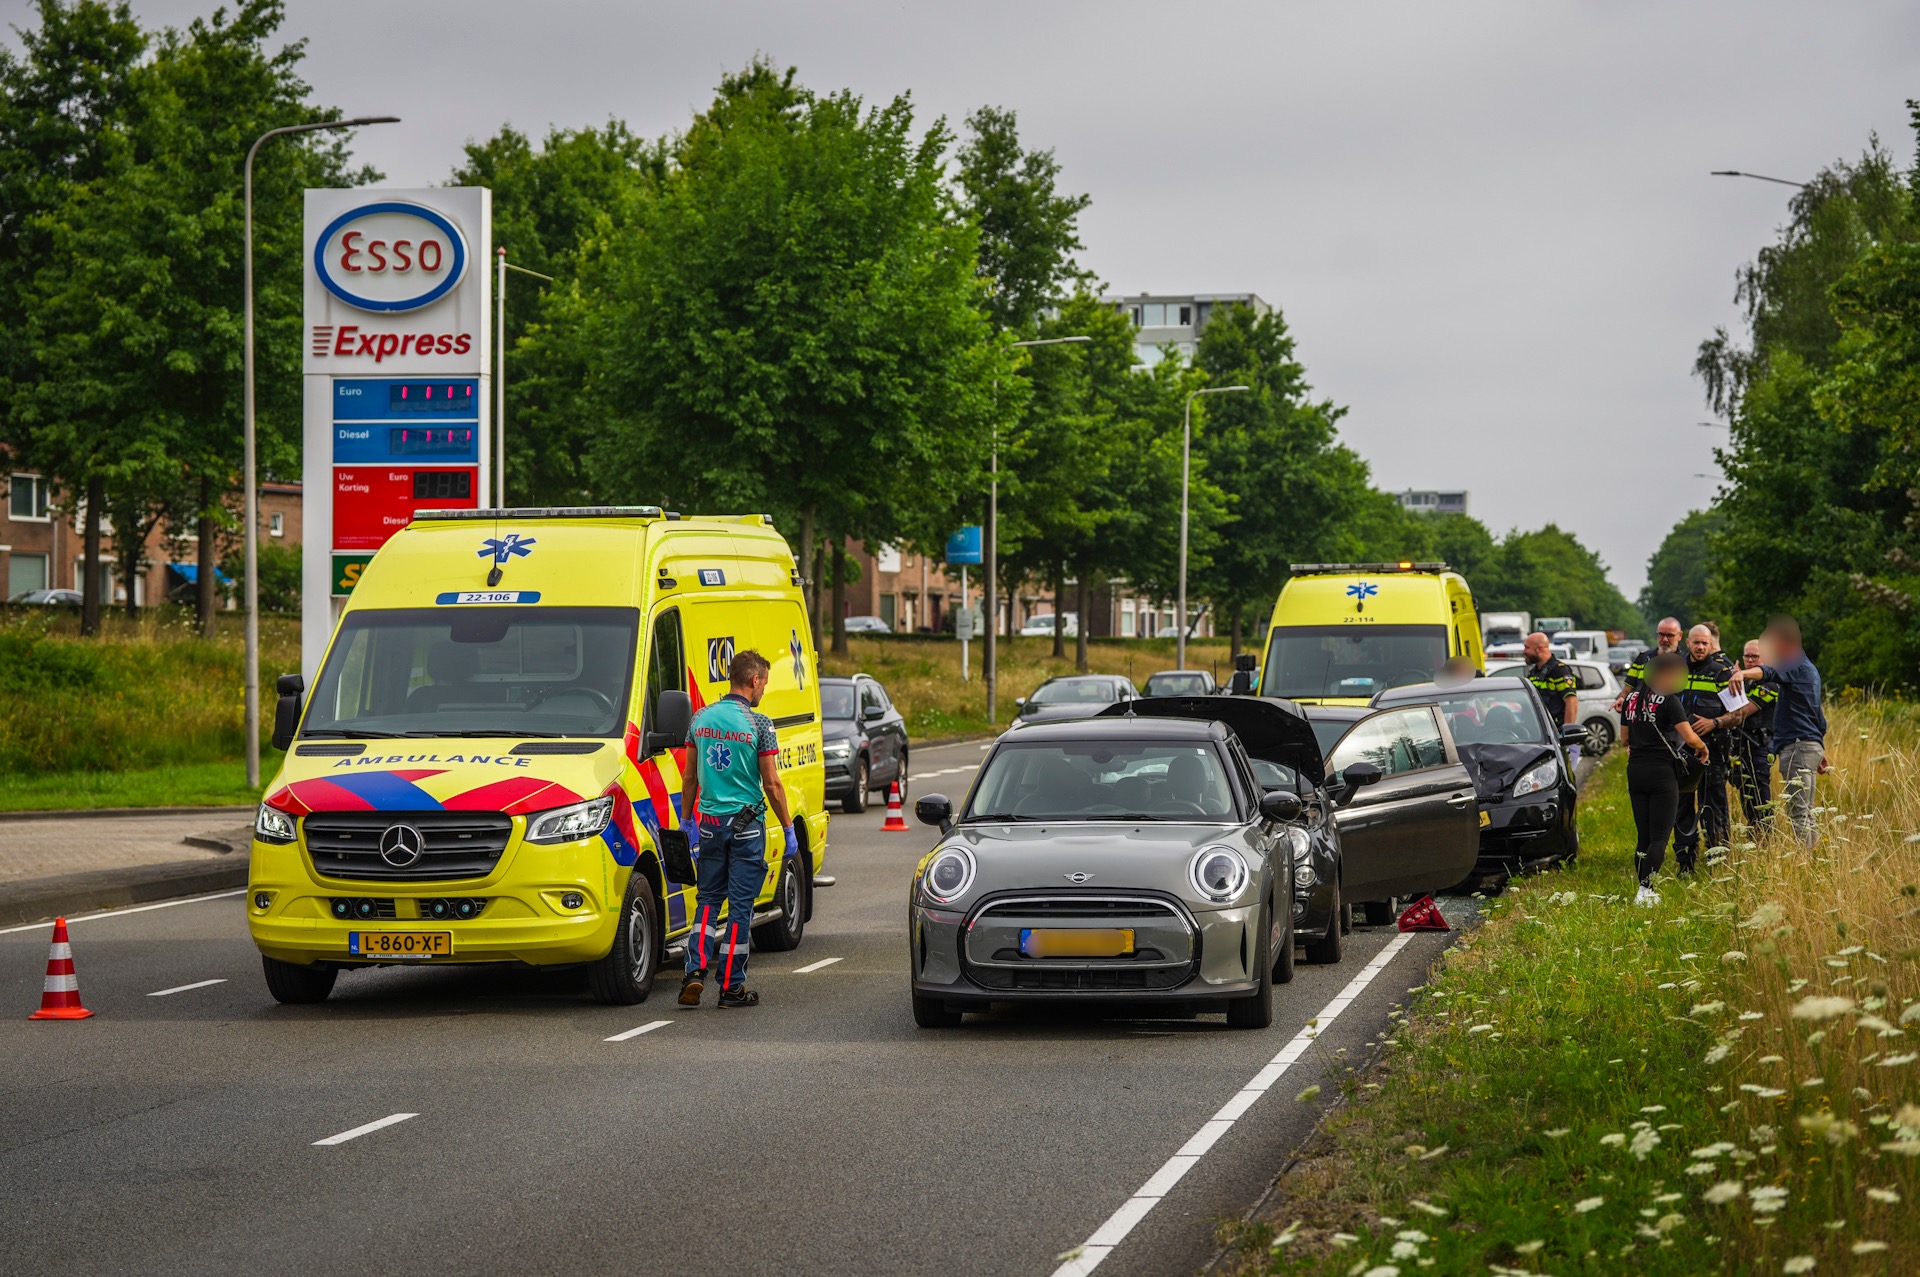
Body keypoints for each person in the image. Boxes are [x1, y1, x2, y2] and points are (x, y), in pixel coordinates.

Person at [678, 650, 794, 1010]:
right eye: (764, 684)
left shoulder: (700, 718)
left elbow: (689, 777)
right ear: (754, 680)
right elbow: (771, 783)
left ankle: (693, 971)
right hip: (746, 827)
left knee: (708, 900)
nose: (763, 691)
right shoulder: (759, 724)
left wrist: (686, 820)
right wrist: (788, 828)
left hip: (710, 826)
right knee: (741, 907)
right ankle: (731, 987)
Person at [1729, 615, 1828, 846]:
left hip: (1798, 748)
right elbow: (1819, 717)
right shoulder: (1806, 667)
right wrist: (1819, 746)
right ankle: (1812, 860)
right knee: (1807, 811)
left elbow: (1769, 673)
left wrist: (1742, 674)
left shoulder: (1794, 663)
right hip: (1809, 746)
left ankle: (1805, 863)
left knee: (1799, 813)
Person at [1621, 652, 1710, 905]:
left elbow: (1624, 740)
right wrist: (1703, 747)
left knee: (1644, 836)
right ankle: (1645, 891)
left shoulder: (1631, 699)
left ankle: (1642, 888)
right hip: (1661, 772)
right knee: (1660, 837)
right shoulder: (1669, 700)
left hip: (1636, 770)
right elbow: (1689, 737)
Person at [1673, 624, 1736, 872]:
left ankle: (1717, 861)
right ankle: (1685, 863)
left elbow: (1738, 714)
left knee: (1713, 806)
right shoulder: (1674, 668)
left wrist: (1715, 722)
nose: (1700, 647)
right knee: (1682, 806)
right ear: (1687, 643)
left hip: (1713, 752)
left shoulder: (1722, 672)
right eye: (1696, 642)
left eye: (1704, 643)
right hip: (1680, 751)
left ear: (1711, 645)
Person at [1726, 639, 1778, 835]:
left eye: (1755, 656)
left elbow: (1742, 712)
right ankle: (1754, 833)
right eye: (1746, 656)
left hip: (1759, 745)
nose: (1750, 660)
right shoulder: (1744, 681)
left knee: (1759, 794)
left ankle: (1764, 836)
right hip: (1739, 744)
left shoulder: (1771, 683)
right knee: (1745, 791)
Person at [1521, 631, 1580, 764]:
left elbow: (1571, 702)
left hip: (1557, 735)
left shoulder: (1559, 671)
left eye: (1527, 648)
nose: (1524, 651)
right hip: (1539, 735)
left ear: (1539, 649)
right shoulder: (1534, 672)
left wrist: (1567, 735)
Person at [1615, 615, 1684, 705]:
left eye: (1670, 635)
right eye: (1661, 634)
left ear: (1680, 636)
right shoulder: (1642, 658)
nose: (1665, 639)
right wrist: (1620, 700)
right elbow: (1626, 691)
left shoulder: (1685, 662)